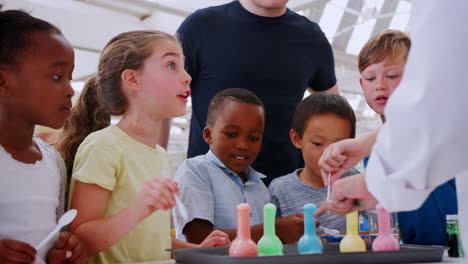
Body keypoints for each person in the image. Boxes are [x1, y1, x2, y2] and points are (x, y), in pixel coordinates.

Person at [56, 30, 230, 264]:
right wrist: (138, 209)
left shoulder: (159, 155)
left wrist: (199, 249)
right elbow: (80, 239)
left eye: (184, 66)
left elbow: (153, 241)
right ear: (132, 80)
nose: (187, 76)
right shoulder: (103, 146)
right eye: (171, 65)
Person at [315, 0, 468, 254]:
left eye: (393, 75)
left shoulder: (432, 138)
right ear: (361, 84)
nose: (381, 85)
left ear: (413, 77)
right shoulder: (376, 152)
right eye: (371, 78)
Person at [177, 0, 339, 185]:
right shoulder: (201, 26)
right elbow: (163, 98)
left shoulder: (312, 38)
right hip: (209, 187)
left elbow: (334, 111)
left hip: (284, 188)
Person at [0, 8, 87, 264]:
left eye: (70, 78)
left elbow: (53, 233)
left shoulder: (52, 162)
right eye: (57, 76)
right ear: (3, 82)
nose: (70, 90)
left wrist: (60, 251)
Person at [173, 88, 306, 244]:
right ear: (209, 135)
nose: (243, 145)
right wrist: (274, 230)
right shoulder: (195, 170)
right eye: (231, 134)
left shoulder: (260, 187)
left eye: (254, 138)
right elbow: (199, 237)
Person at [268, 93, 359, 234]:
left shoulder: (354, 181)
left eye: (339, 145)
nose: (328, 154)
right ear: (297, 139)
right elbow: (269, 237)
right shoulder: (280, 190)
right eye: (318, 144)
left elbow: (383, 226)